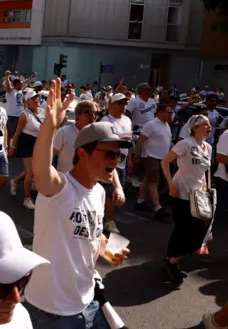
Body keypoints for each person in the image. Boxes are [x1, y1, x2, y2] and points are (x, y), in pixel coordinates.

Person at [25, 78, 130, 328]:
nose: (116, 160)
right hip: (51, 312)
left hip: (90, 302)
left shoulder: (99, 193)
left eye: (119, 155)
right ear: (83, 153)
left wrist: (108, 249)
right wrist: (49, 127)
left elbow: (90, 234)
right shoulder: (59, 189)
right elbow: (40, 170)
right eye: (110, 154)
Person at [160, 114, 213, 286]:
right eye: (205, 124)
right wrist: (170, 184)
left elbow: (203, 171)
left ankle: (171, 259)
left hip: (198, 196)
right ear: (195, 127)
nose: (209, 127)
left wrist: (204, 188)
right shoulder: (186, 144)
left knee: (197, 230)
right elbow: (165, 162)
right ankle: (172, 263)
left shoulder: (208, 147)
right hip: (181, 193)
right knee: (184, 228)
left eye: (209, 124)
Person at [98, 94, 133, 233]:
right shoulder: (105, 120)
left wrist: (130, 158)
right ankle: (109, 221)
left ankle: (105, 217)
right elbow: (101, 140)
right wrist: (119, 138)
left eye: (125, 103)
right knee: (109, 193)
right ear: (111, 105)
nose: (123, 106)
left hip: (122, 162)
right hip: (109, 162)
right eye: (120, 103)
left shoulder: (128, 120)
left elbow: (130, 142)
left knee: (117, 193)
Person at [134, 104, 174, 219]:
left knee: (148, 179)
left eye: (171, 113)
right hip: (150, 157)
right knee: (153, 182)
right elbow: (140, 141)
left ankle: (140, 201)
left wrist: (176, 151)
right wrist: (137, 156)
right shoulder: (150, 125)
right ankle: (157, 207)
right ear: (160, 112)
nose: (171, 115)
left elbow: (169, 142)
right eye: (168, 112)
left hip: (162, 158)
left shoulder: (167, 126)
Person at [10, 90, 45, 210]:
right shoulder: (24, 115)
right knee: (30, 172)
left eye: (37, 97)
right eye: (33, 98)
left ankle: (15, 181)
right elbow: (17, 132)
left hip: (39, 144)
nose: (36, 100)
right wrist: (12, 146)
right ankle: (27, 198)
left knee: (35, 170)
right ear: (28, 102)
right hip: (26, 144)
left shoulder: (44, 112)